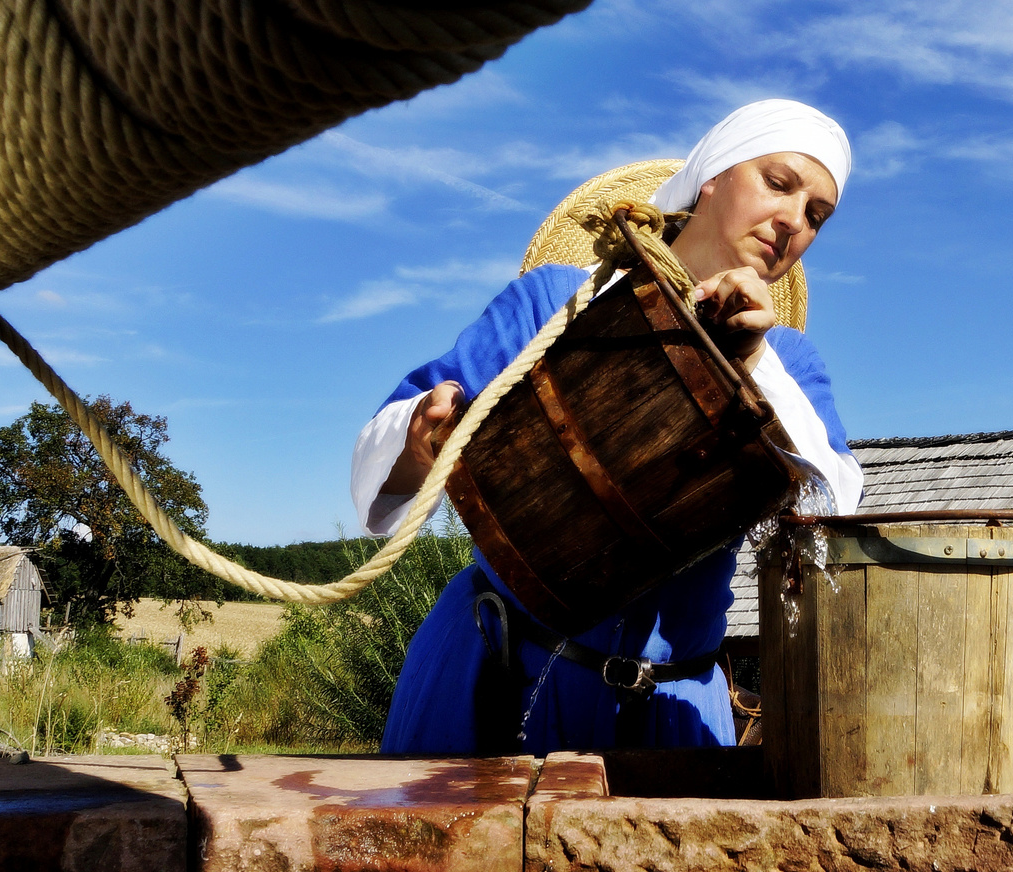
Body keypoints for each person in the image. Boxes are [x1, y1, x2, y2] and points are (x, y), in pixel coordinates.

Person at [350, 99, 864, 756]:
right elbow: (390, 440)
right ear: (712, 176)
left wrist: (753, 365)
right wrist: (423, 437)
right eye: (779, 182)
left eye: (817, 215)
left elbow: (834, 514)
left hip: (670, 712)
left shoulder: (790, 363)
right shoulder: (557, 301)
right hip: (496, 677)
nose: (795, 220)